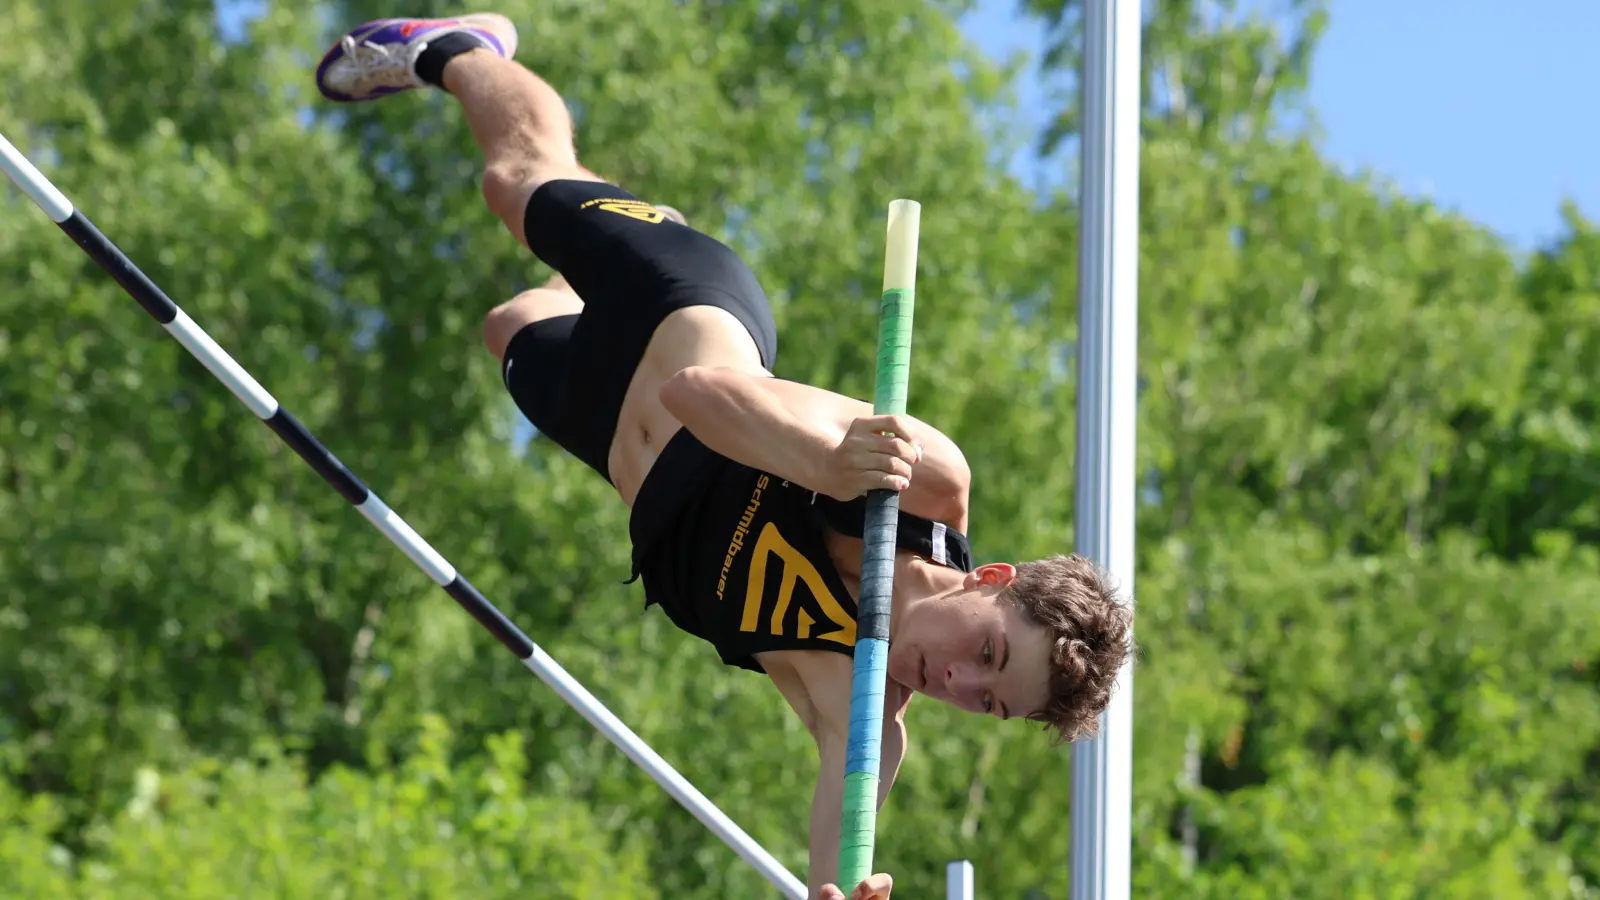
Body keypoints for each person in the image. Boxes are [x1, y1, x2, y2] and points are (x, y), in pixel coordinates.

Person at [315, 13, 1133, 900]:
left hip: (618, 439)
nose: (958, 683)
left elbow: (838, 851)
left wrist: (839, 893)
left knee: (508, 323)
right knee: (512, 182)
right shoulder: (925, 484)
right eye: (987, 653)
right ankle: (454, 49)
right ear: (993, 581)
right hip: (678, 312)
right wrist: (829, 466)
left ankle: (596, 233)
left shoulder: (860, 718)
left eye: (988, 703)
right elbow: (701, 396)